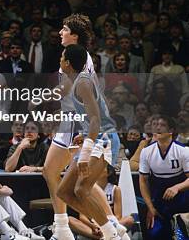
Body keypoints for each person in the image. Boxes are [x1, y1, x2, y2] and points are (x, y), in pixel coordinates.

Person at [42, 14, 124, 240]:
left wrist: (41, 97)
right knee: (72, 182)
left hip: (80, 124)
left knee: (72, 182)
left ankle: (104, 226)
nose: (60, 32)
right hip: (77, 122)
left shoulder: (79, 59)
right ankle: (74, 227)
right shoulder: (71, 56)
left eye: (65, 29)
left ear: (75, 36)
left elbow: (68, 91)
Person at [139, 116, 189, 240]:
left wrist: (177, 187)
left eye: (162, 125)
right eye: (155, 125)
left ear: (171, 130)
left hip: (182, 200)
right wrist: (150, 207)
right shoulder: (146, 152)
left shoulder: (183, 151)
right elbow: (143, 181)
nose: (157, 127)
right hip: (158, 201)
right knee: (154, 234)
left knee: (181, 236)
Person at [69, 165, 135, 239]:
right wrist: (93, 225)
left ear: (108, 172)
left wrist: (106, 225)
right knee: (70, 220)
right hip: (93, 224)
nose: (96, 169)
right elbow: (82, 216)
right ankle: (103, 236)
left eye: (100, 167)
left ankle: (104, 234)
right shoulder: (85, 188)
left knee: (129, 219)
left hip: (111, 222)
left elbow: (118, 216)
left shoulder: (115, 189)